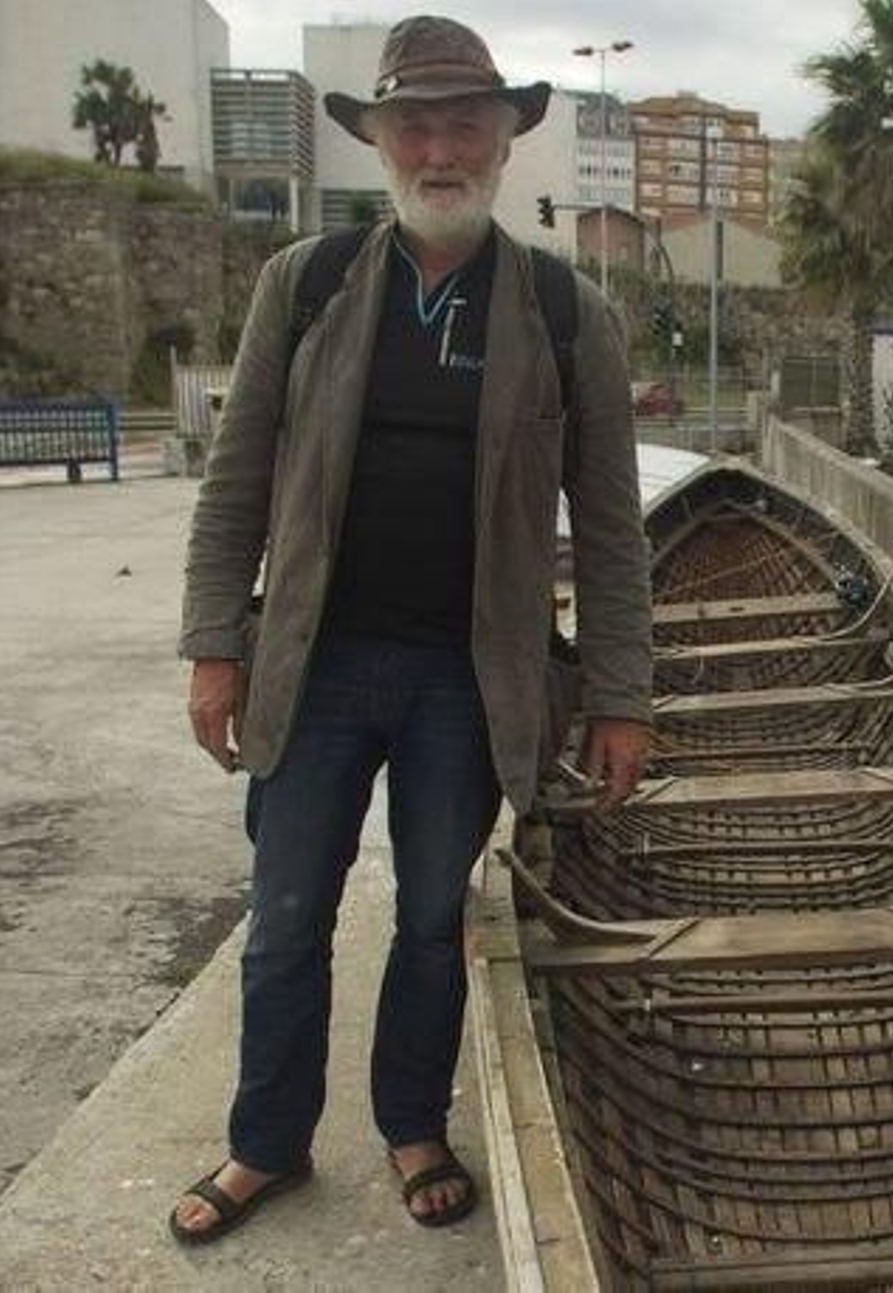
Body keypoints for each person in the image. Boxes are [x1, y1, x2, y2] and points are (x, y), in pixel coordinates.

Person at [171, 15, 652, 1243]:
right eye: (416, 126)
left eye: (464, 125)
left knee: (434, 919)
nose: (440, 148)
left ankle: (410, 1123)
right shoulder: (310, 283)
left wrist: (620, 697)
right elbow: (235, 484)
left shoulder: (559, 307)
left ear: (502, 143)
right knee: (284, 922)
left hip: (468, 678)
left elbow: (607, 526)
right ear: (382, 143)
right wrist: (215, 646)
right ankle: (264, 1144)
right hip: (316, 665)